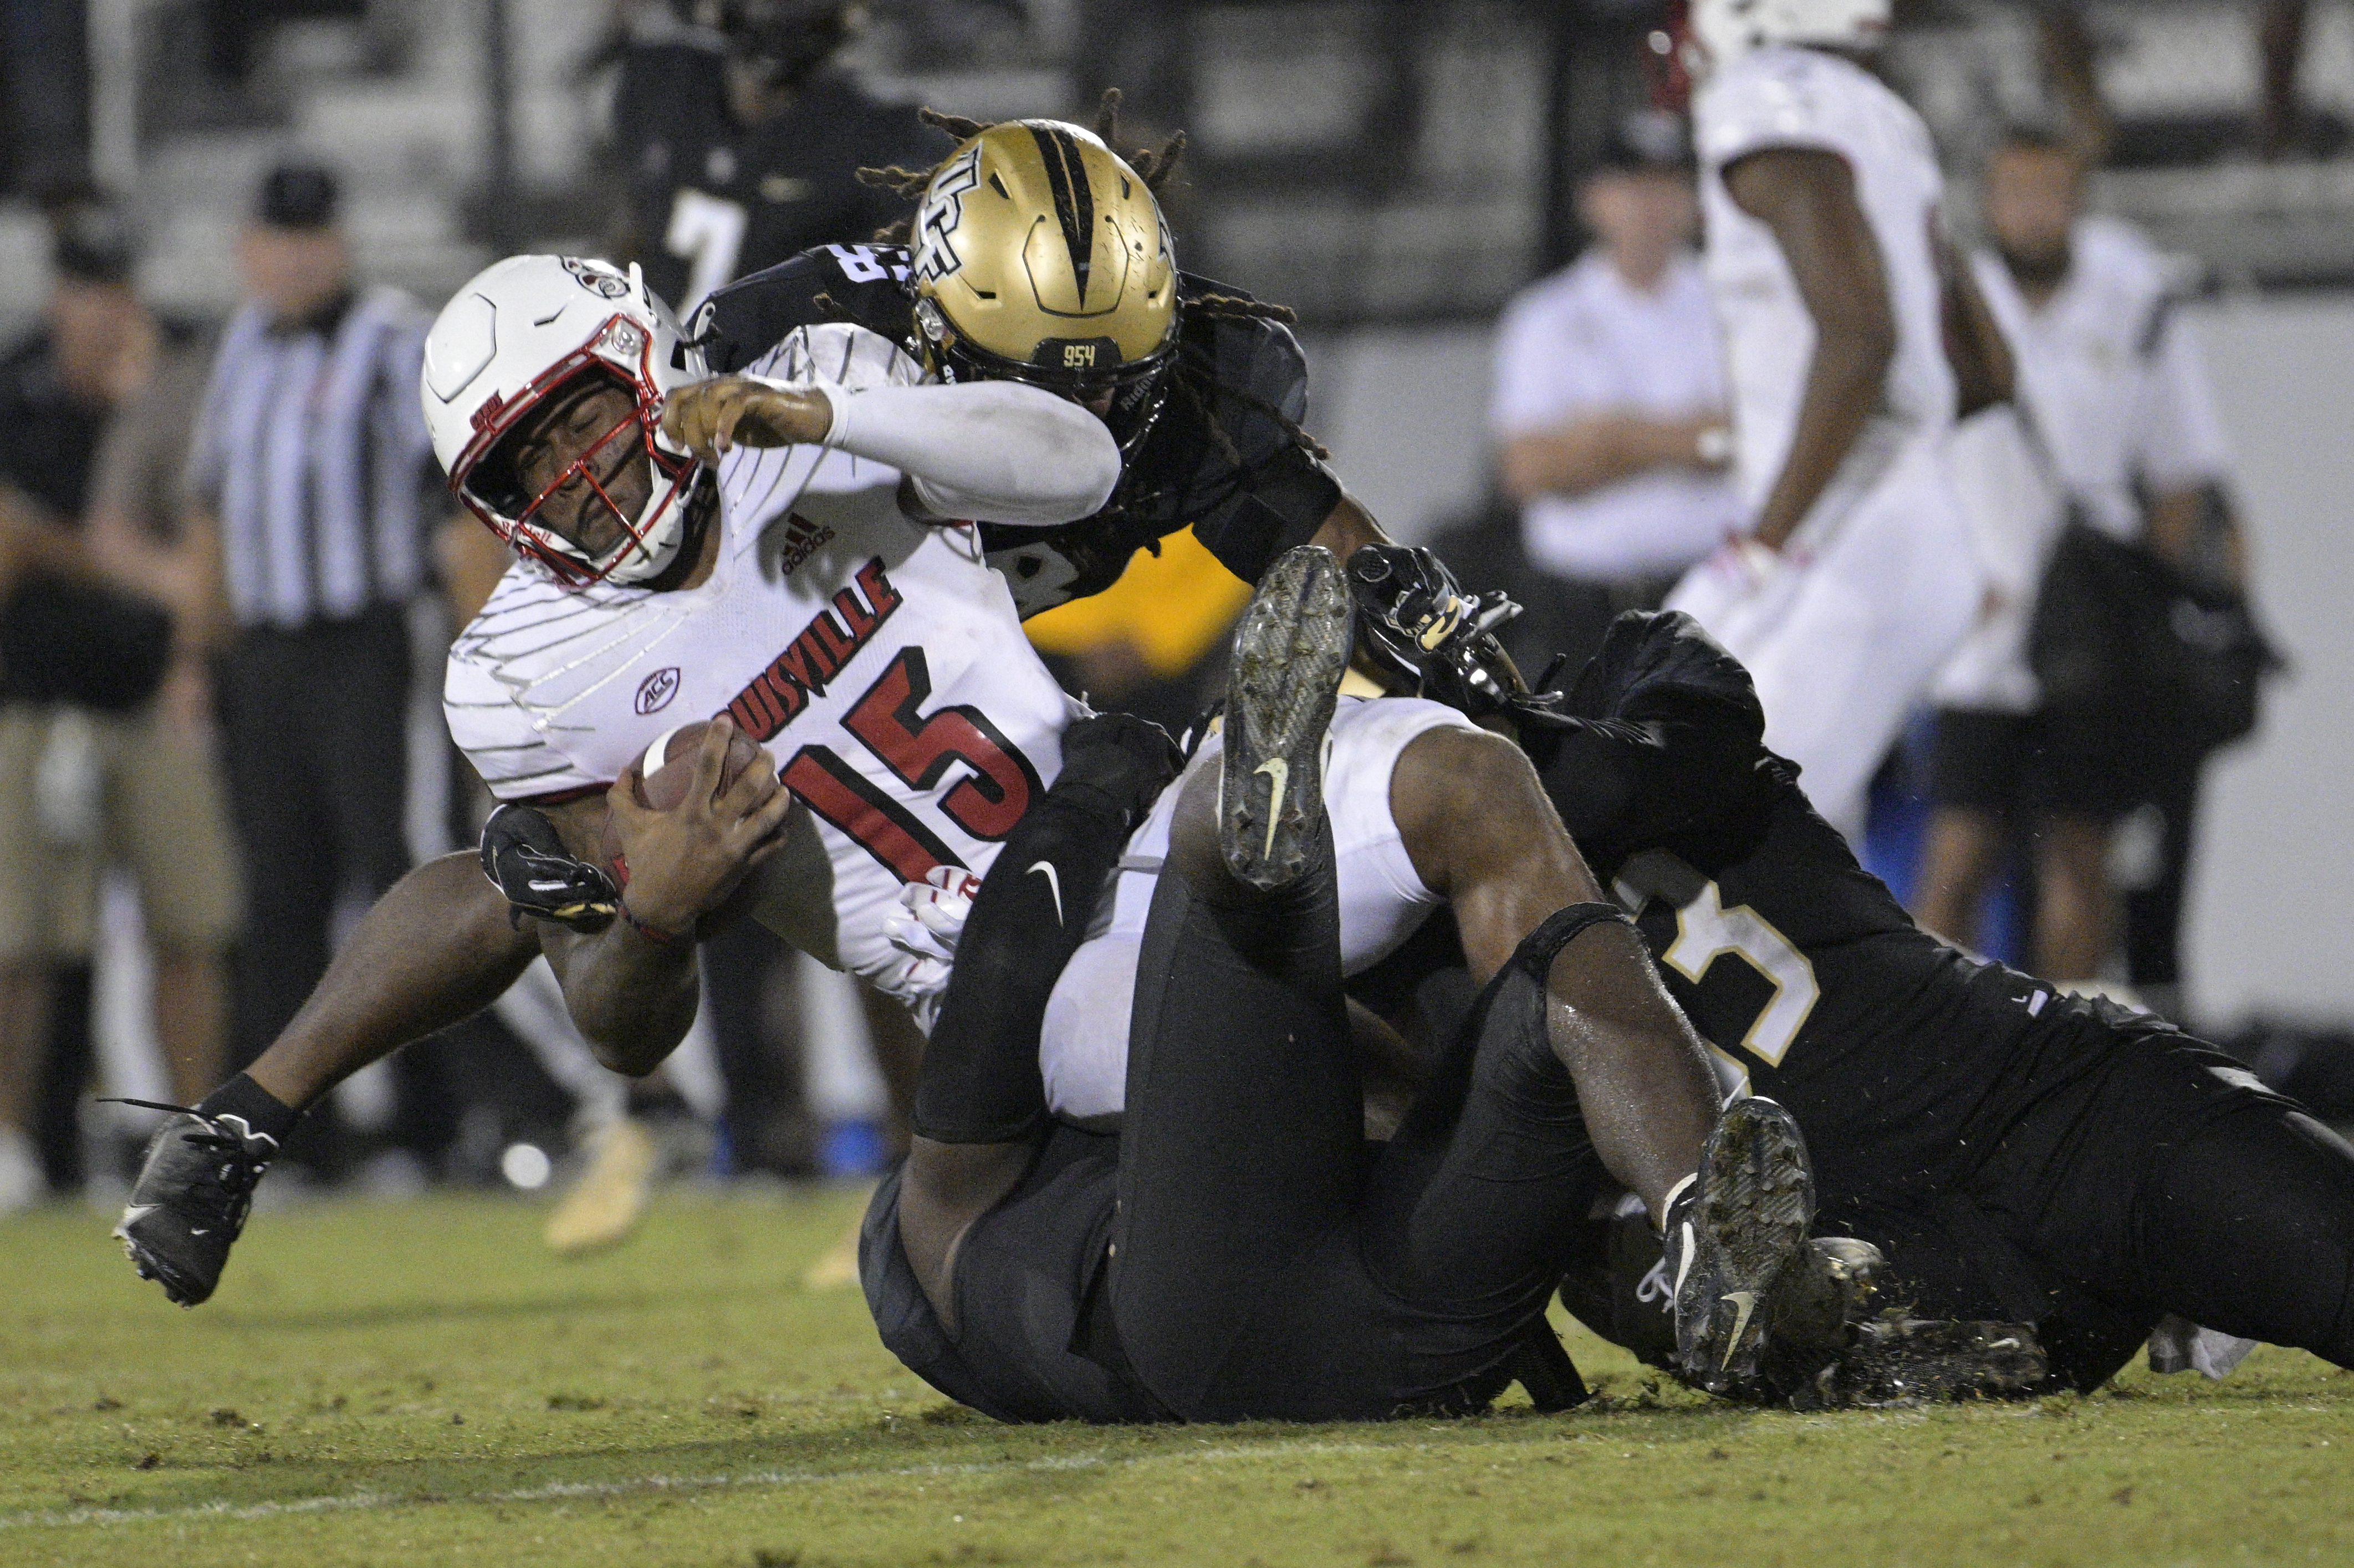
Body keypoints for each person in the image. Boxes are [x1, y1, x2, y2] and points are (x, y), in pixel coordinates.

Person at [110, 111, 1384, 1305]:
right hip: (1001, 986)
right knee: (1305, 1102)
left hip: (1117, 822)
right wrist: (654, 912)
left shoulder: (814, 387)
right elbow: (609, 1009)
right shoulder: (522, 668)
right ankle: (250, 1110)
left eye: (586, 420)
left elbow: (1074, 457)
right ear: (488, 505)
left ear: (653, 369)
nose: (577, 475)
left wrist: (828, 412)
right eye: (525, 465)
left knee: (1403, 941)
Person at [861, 545, 1841, 1421]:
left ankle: (1707, 1241)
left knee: (1533, 964)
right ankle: (1242, 793)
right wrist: (1092, 788)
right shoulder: (944, 1208)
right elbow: (999, 970)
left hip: (1375, 1337)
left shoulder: (989, 1244)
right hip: (1298, 1339)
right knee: (1311, 930)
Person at [1352, 569, 2354, 1396]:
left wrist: (1473, 790)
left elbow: (1616, 782)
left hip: (2052, 1099)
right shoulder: (1400, 955)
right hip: (1884, 1255)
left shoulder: (1638, 667)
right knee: (1623, 1268)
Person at [1662, 0, 2007, 844]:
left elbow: (1858, 338)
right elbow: (1984, 371)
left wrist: (1763, 541)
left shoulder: (1763, 103)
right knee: (1786, 848)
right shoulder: (1882, 119)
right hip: (1899, 527)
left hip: (1843, 542)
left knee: (1697, 827)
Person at [1913, 127, 2241, 1011]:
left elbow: (2181, 475)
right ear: (1987, 199)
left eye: (2048, 190)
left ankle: (2060, 1068)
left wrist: (2141, 596)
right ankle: (1943, 1053)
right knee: (1956, 854)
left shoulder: (2130, 298)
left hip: (2089, 634)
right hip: (1977, 630)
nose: (2031, 211)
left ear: (2076, 196)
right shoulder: (1947, 303)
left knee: (2079, 856)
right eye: (2013, 191)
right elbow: (1908, 460)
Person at [184, 163, 461, 1162]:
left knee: (401, 871)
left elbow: (454, 488)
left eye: (315, 235)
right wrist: (194, 655)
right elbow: (211, 505)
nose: (299, 256)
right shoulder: (242, 340)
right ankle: (298, 1133)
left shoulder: (392, 336)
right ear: (249, 248)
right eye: (281, 236)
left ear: (339, 241)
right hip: (265, 654)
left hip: (366, 643)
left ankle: (437, 1122)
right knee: (280, 889)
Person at [0, 203, 215, 1210]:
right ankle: (10, 1143)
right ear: (60, 294)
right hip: (37, 700)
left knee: (193, 921)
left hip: (155, 693)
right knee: (21, 942)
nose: (107, 307)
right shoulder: (16, 385)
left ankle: (198, 1146)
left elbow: (209, 535)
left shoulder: (178, 377)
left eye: (120, 286)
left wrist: (73, 545)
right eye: (90, 288)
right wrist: (135, 557)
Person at [1489, 112, 1740, 678]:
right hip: (1580, 611)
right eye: (1631, 186)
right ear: (1592, 200)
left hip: (1708, 594)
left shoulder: (1732, 304)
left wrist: (1608, 438)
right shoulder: (1543, 317)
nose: (1650, 205)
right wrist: (1687, 439)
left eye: (1666, 185)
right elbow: (1526, 470)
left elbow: (1751, 446)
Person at [612, 0, 943, 314]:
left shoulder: (876, 133)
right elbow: (628, 230)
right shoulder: (664, 78)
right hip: (646, 350)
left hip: (777, 366)